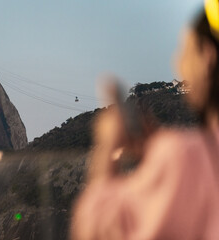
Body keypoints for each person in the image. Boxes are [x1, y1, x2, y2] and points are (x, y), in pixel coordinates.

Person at [70, 4, 219, 240]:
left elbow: (93, 229)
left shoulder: (186, 155)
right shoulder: (185, 155)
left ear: (208, 56)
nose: (176, 62)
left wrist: (108, 144)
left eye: (184, 49)